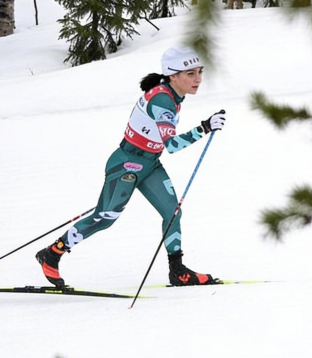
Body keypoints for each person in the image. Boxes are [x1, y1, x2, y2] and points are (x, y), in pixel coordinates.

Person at [35, 46, 226, 288]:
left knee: (172, 213)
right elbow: (173, 145)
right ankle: (52, 253)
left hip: (150, 164)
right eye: (190, 73)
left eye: (200, 71)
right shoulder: (162, 100)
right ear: (172, 75)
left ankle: (177, 271)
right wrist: (205, 127)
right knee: (105, 217)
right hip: (127, 164)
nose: (198, 78)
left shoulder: (173, 94)